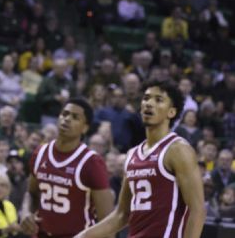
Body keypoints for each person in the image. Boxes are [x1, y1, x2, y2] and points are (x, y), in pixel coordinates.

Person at [76, 81, 206, 238]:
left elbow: (197, 210)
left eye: (158, 100)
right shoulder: (132, 154)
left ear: (171, 112)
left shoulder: (178, 150)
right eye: (146, 98)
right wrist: (82, 236)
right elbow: (121, 215)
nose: (149, 103)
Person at [20, 98, 113, 238]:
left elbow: (107, 223)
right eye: (65, 114)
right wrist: (26, 211)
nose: (67, 119)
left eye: (75, 117)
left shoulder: (92, 162)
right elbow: (32, 193)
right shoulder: (40, 153)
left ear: (85, 127)